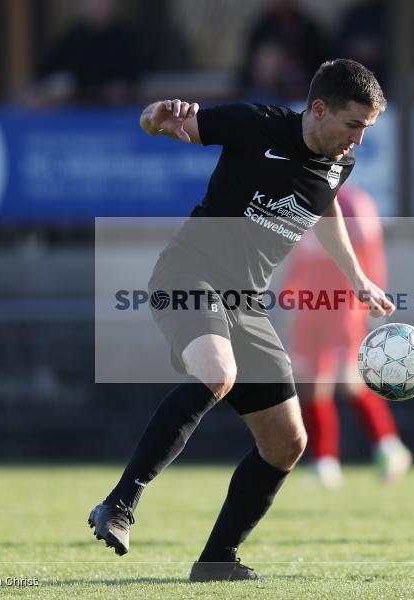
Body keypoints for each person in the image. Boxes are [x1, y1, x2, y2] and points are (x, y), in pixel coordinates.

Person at [87, 59, 393, 582]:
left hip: (245, 301)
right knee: (217, 373)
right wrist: (156, 113)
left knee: (288, 443)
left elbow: (326, 207)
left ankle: (216, 560)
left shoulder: (340, 161)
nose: (358, 140)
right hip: (189, 273)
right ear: (318, 109)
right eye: (353, 125)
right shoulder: (256, 124)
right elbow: (159, 124)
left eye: (365, 129)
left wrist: (357, 277)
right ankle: (119, 503)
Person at [282, 182, 411, 490]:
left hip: (344, 302)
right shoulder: (299, 195)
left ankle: (389, 446)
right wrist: (291, 287)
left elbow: (370, 252)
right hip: (312, 303)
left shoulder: (355, 202)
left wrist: (371, 295)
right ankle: (325, 463)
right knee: (312, 384)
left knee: (349, 379)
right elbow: (298, 249)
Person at [35, 0, 146, 105]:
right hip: (75, 110)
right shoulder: (72, 37)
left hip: (118, 110)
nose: (100, 7)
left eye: (104, 3)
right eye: (96, 3)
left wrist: (127, 88)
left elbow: (140, 78)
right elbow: (46, 72)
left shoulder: (127, 37)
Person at [239, 0, 328, 101]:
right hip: (268, 90)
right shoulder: (262, 28)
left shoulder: (309, 28)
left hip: (303, 90)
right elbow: (249, 63)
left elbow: (319, 61)